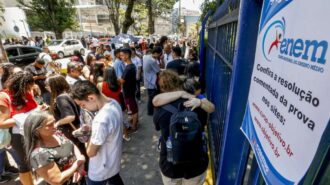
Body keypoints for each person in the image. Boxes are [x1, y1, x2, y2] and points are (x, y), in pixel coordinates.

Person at [153, 70, 209, 185]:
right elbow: (204, 122)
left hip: (170, 165)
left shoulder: (160, 108)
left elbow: (158, 127)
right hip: (196, 164)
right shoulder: (196, 102)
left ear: (162, 88)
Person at [70, 80, 124, 185]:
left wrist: (91, 133)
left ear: (91, 98)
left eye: (83, 105)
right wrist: (91, 129)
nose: (82, 108)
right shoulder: (113, 102)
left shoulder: (100, 119)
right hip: (112, 166)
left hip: (100, 173)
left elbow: (91, 152)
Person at [24, 111, 86, 185]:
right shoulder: (39, 154)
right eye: (49, 124)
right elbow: (57, 180)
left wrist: (80, 165)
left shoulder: (57, 133)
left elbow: (72, 145)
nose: (55, 126)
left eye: (54, 122)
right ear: (36, 130)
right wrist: (78, 163)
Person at [0, 71, 38, 185]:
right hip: (17, 136)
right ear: (19, 85)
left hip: (32, 131)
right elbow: (2, 123)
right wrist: (26, 117)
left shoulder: (26, 93)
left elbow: (32, 107)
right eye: (27, 87)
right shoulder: (4, 97)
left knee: (36, 160)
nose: (29, 90)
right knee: (25, 164)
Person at [46, 75, 88, 162]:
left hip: (70, 131)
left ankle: (84, 171)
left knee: (78, 153)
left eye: (48, 85)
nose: (47, 88)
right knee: (81, 151)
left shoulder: (61, 98)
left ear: (54, 86)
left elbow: (70, 117)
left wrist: (57, 123)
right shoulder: (68, 94)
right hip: (76, 128)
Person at [97, 67, 130, 141]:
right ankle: (126, 136)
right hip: (118, 104)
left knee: (110, 123)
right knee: (121, 121)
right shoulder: (118, 82)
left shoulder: (100, 85)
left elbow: (99, 96)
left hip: (107, 107)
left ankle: (114, 138)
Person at [119, 48, 138, 131]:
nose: (121, 57)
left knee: (133, 110)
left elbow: (122, 81)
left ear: (127, 55)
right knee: (133, 108)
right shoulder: (131, 65)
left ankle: (134, 125)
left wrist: (115, 78)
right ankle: (134, 121)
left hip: (128, 92)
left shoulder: (128, 68)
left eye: (122, 55)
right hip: (131, 90)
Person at [143, 46, 162, 115]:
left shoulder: (146, 57)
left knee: (150, 97)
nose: (159, 56)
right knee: (152, 98)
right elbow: (158, 71)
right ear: (157, 53)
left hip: (147, 79)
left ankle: (150, 111)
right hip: (151, 81)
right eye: (160, 54)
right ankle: (151, 112)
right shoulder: (152, 61)